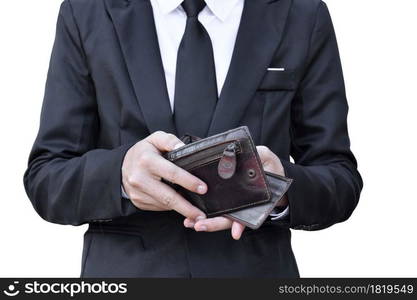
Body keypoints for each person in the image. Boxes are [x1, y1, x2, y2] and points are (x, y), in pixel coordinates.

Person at [24, 0, 363, 277]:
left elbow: (340, 178)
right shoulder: (87, 12)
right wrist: (121, 176)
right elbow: (47, 178)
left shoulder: (302, 14)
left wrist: (280, 187)